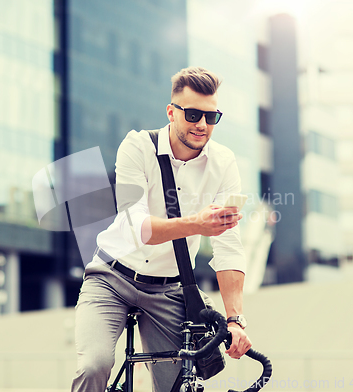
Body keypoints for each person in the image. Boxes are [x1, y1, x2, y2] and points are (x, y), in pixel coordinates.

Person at [71, 66, 252, 392]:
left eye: (211, 117)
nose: (202, 125)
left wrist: (235, 320)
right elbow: (135, 227)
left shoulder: (224, 163)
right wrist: (196, 224)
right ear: (171, 112)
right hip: (113, 276)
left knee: (177, 386)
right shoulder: (137, 147)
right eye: (193, 114)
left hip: (170, 289)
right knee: (93, 366)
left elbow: (229, 247)